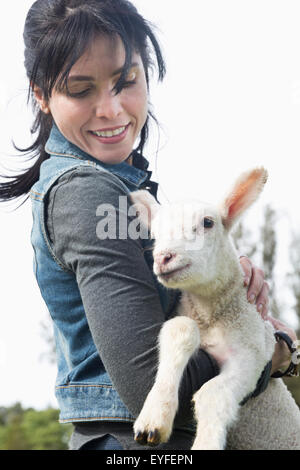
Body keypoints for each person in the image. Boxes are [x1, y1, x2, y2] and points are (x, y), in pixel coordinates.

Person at [0, 0, 297, 450]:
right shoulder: (90, 194)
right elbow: (149, 384)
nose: (111, 110)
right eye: (81, 90)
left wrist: (217, 273)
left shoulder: (123, 189)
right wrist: (269, 354)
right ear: (40, 94)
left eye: (127, 81)